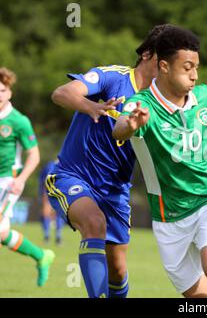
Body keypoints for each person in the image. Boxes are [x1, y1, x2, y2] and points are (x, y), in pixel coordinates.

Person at [113, 25, 207, 298]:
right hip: (168, 216)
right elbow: (119, 128)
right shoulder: (141, 104)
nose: (194, 75)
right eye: (187, 67)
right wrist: (132, 124)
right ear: (164, 66)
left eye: (197, 67)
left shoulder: (204, 95)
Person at [46, 24, 170, 298]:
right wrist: (91, 105)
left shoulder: (160, 104)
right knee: (94, 223)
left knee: (117, 268)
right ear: (148, 54)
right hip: (72, 177)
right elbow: (61, 93)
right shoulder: (112, 77)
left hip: (115, 192)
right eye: (166, 58)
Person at [0, 67, 55, 286]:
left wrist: (21, 180)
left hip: (8, 181)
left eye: (2, 90)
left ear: (10, 93)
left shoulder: (18, 121)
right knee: (3, 233)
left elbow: (34, 154)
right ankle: (42, 256)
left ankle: (42, 256)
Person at [39, 159, 65, 244]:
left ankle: (50, 236)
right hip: (57, 190)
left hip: (50, 190)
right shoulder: (61, 165)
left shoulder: (50, 165)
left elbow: (42, 179)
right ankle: (56, 236)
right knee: (57, 212)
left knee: (49, 212)